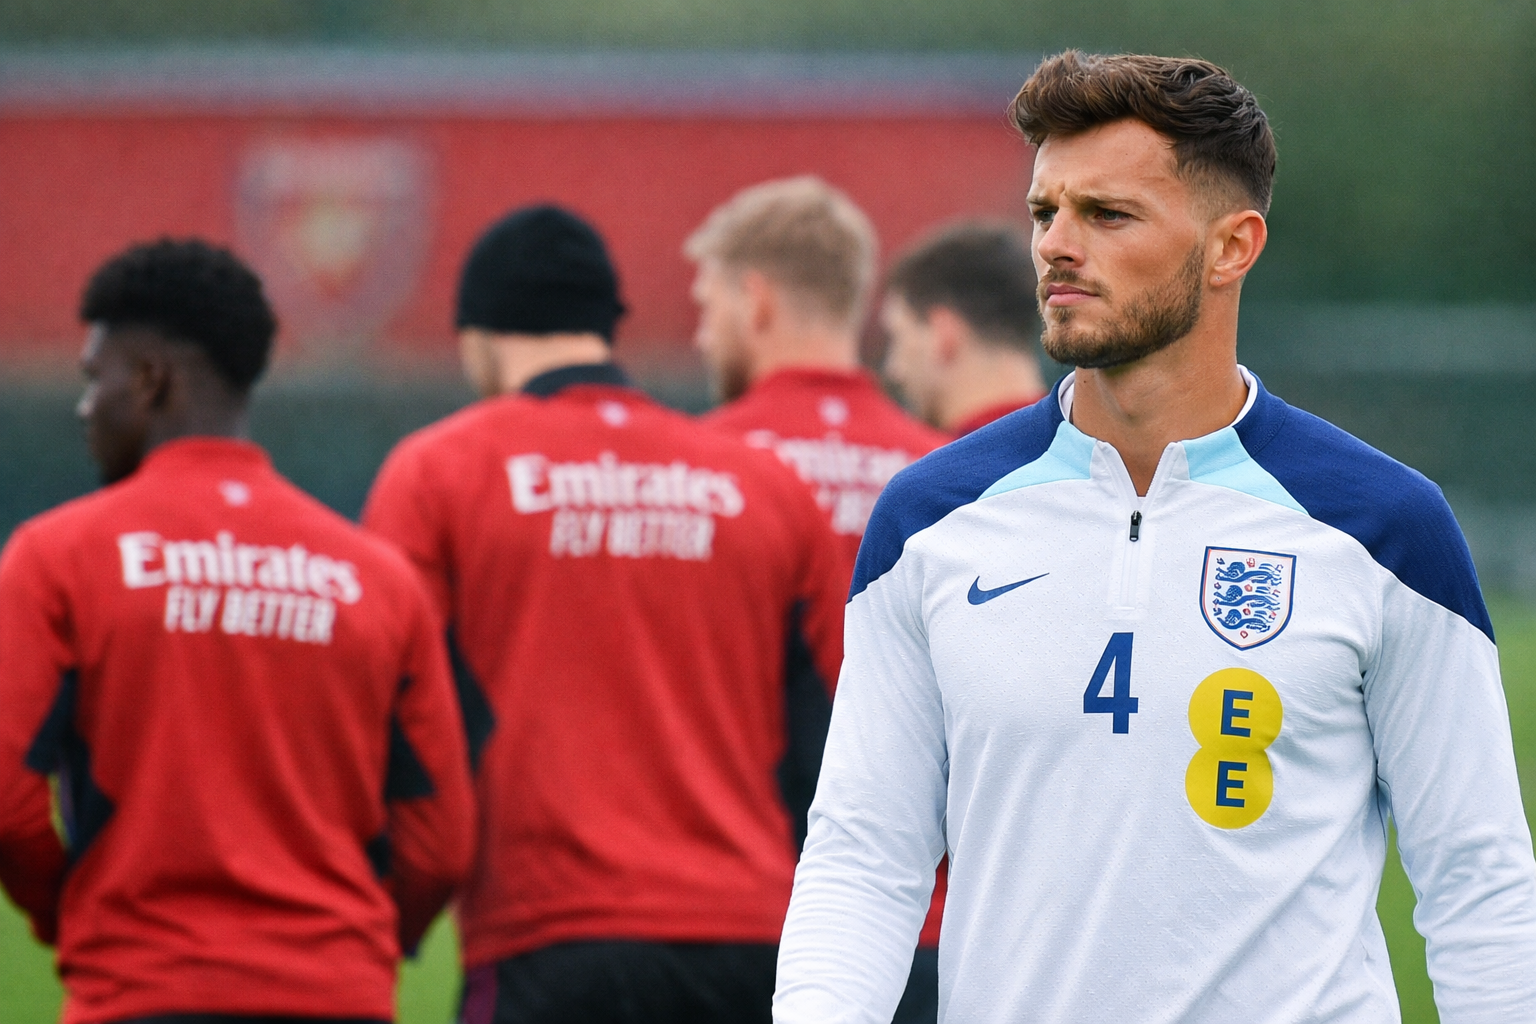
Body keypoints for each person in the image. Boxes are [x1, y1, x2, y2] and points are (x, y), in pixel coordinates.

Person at [776, 51, 1536, 1024]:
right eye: (1046, 211)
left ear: (1232, 247)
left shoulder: (1384, 527)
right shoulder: (930, 518)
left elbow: (1478, 879)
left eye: (1108, 215)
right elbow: (864, 855)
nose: (1056, 246)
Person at [362, 205, 846, 1024]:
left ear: (479, 333)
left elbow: (388, 721)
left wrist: (397, 909)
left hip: (545, 936)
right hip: (754, 947)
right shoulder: (764, 487)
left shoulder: (438, 474)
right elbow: (830, 745)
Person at [0, 239, 475, 1024]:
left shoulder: (57, 559)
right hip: (335, 994)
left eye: (96, 379)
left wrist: (73, 913)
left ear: (150, 380)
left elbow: (11, 799)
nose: (86, 409)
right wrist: (356, 942)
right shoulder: (376, 579)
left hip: (140, 993)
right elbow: (441, 840)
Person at [685, 177, 950, 1022]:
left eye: (707, 306)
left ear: (754, 299)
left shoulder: (691, 477)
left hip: (758, 910)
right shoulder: (944, 473)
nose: (700, 334)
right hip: (944, 917)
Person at [881, 221, 1048, 436]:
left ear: (943, 336)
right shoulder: (1089, 449)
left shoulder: (942, 466)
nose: (894, 370)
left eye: (898, 339)